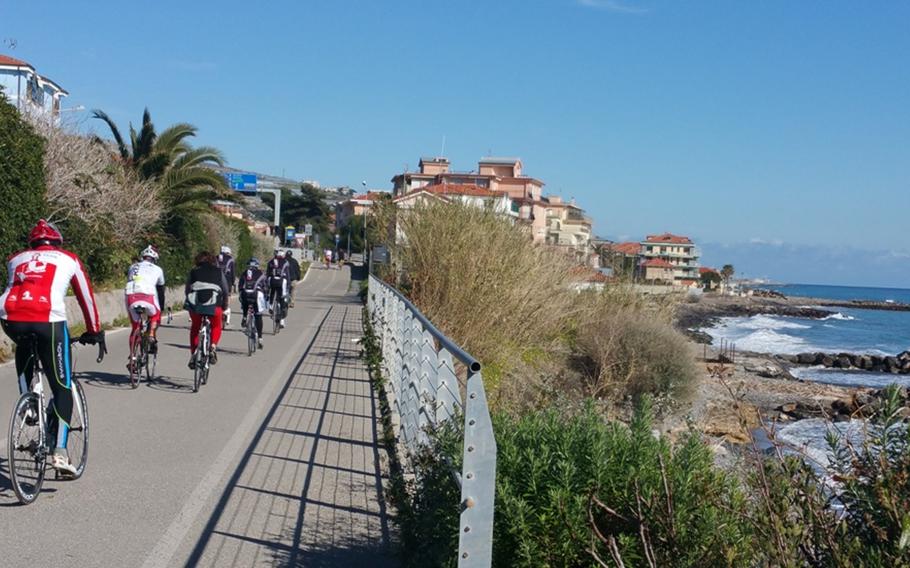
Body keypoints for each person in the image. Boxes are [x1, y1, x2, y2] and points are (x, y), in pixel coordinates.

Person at [0, 219, 106, 476]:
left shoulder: (15, 258)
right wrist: (94, 331)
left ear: (32, 244)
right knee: (61, 386)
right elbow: (86, 298)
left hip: (9, 317)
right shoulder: (69, 259)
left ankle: (29, 401)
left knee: (25, 341)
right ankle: (60, 452)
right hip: (48, 320)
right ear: (57, 243)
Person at [185, 251, 228, 368]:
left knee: (195, 327)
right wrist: (225, 305)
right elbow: (225, 290)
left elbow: (187, 290)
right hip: (215, 306)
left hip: (197, 306)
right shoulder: (218, 272)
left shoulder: (193, 271)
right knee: (216, 325)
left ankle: (194, 353)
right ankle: (213, 347)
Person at [124, 245, 165, 364]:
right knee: (155, 315)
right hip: (148, 295)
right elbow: (161, 291)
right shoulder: (158, 269)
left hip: (131, 295)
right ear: (155, 259)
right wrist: (161, 308)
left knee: (135, 327)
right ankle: (151, 334)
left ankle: (132, 357)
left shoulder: (132, 267)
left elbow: (130, 280)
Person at [238, 258, 268, 348]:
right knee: (258, 315)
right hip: (257, 294)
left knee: (244, 302)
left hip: (245, 294)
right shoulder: (261, 273)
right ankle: (260, 338)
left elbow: (240, 286)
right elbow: (265, 286)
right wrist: (266, 296)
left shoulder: (244, 273)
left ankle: (244, 317)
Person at [266, 248, 290, 328]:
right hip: (281, 282)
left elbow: (267, 274)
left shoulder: (271, 262)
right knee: (282, 298)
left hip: (272, 281)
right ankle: (282, 320)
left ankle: (271, 306)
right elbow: (287, 275)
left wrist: (267, 285)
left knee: (272, 291)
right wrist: (288, 286)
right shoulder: (285, 262)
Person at [217, 245, 235, 326]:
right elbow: (233, 273)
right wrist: (233, 283)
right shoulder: (231, 260)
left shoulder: (215, 258)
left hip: (216, 280)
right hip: (227, 281)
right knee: (227, 295)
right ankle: (226, 309)